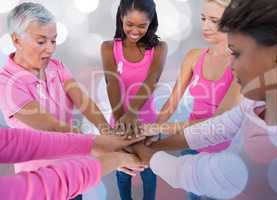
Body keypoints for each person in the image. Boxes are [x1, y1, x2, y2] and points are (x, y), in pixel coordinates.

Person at [132, 0, 277, 199]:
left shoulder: (269, 144)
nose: (232, 64)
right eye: (203, 18)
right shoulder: (255, 104)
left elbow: (195, 174)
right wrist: (151, 139)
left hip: (216, 156)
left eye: (237, 54)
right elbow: (217, 127)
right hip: (193, 148)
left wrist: (141, 150)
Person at [0, 3, 145, 200]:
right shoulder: (7, 83)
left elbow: (83, 101)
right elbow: (53, 127)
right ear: (17, 40)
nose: (50, 49)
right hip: (41, 186)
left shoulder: (57, 67)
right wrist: (108, 148)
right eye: (41, 42)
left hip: (73, 179)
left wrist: (108, 133)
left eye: (53, 41)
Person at [101, 0, 167, 199]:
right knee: (123, 175)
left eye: (142, 25)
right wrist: (123, 122)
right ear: (121, 17)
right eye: (130, 24)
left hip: (147, 125)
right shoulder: (108, 47)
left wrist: (132, 115)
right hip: (120, 121)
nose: (135, 31)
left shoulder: (159, 48)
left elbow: (152, 78)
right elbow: (112, 83)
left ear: (151, 22)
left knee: (149, 174)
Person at [0, 128, 146, 200]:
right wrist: (117, 159)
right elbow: (43, 189)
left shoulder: (57, 69)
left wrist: (96, 143)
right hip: (63, 181)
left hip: (71, 180)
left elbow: (19, 142)